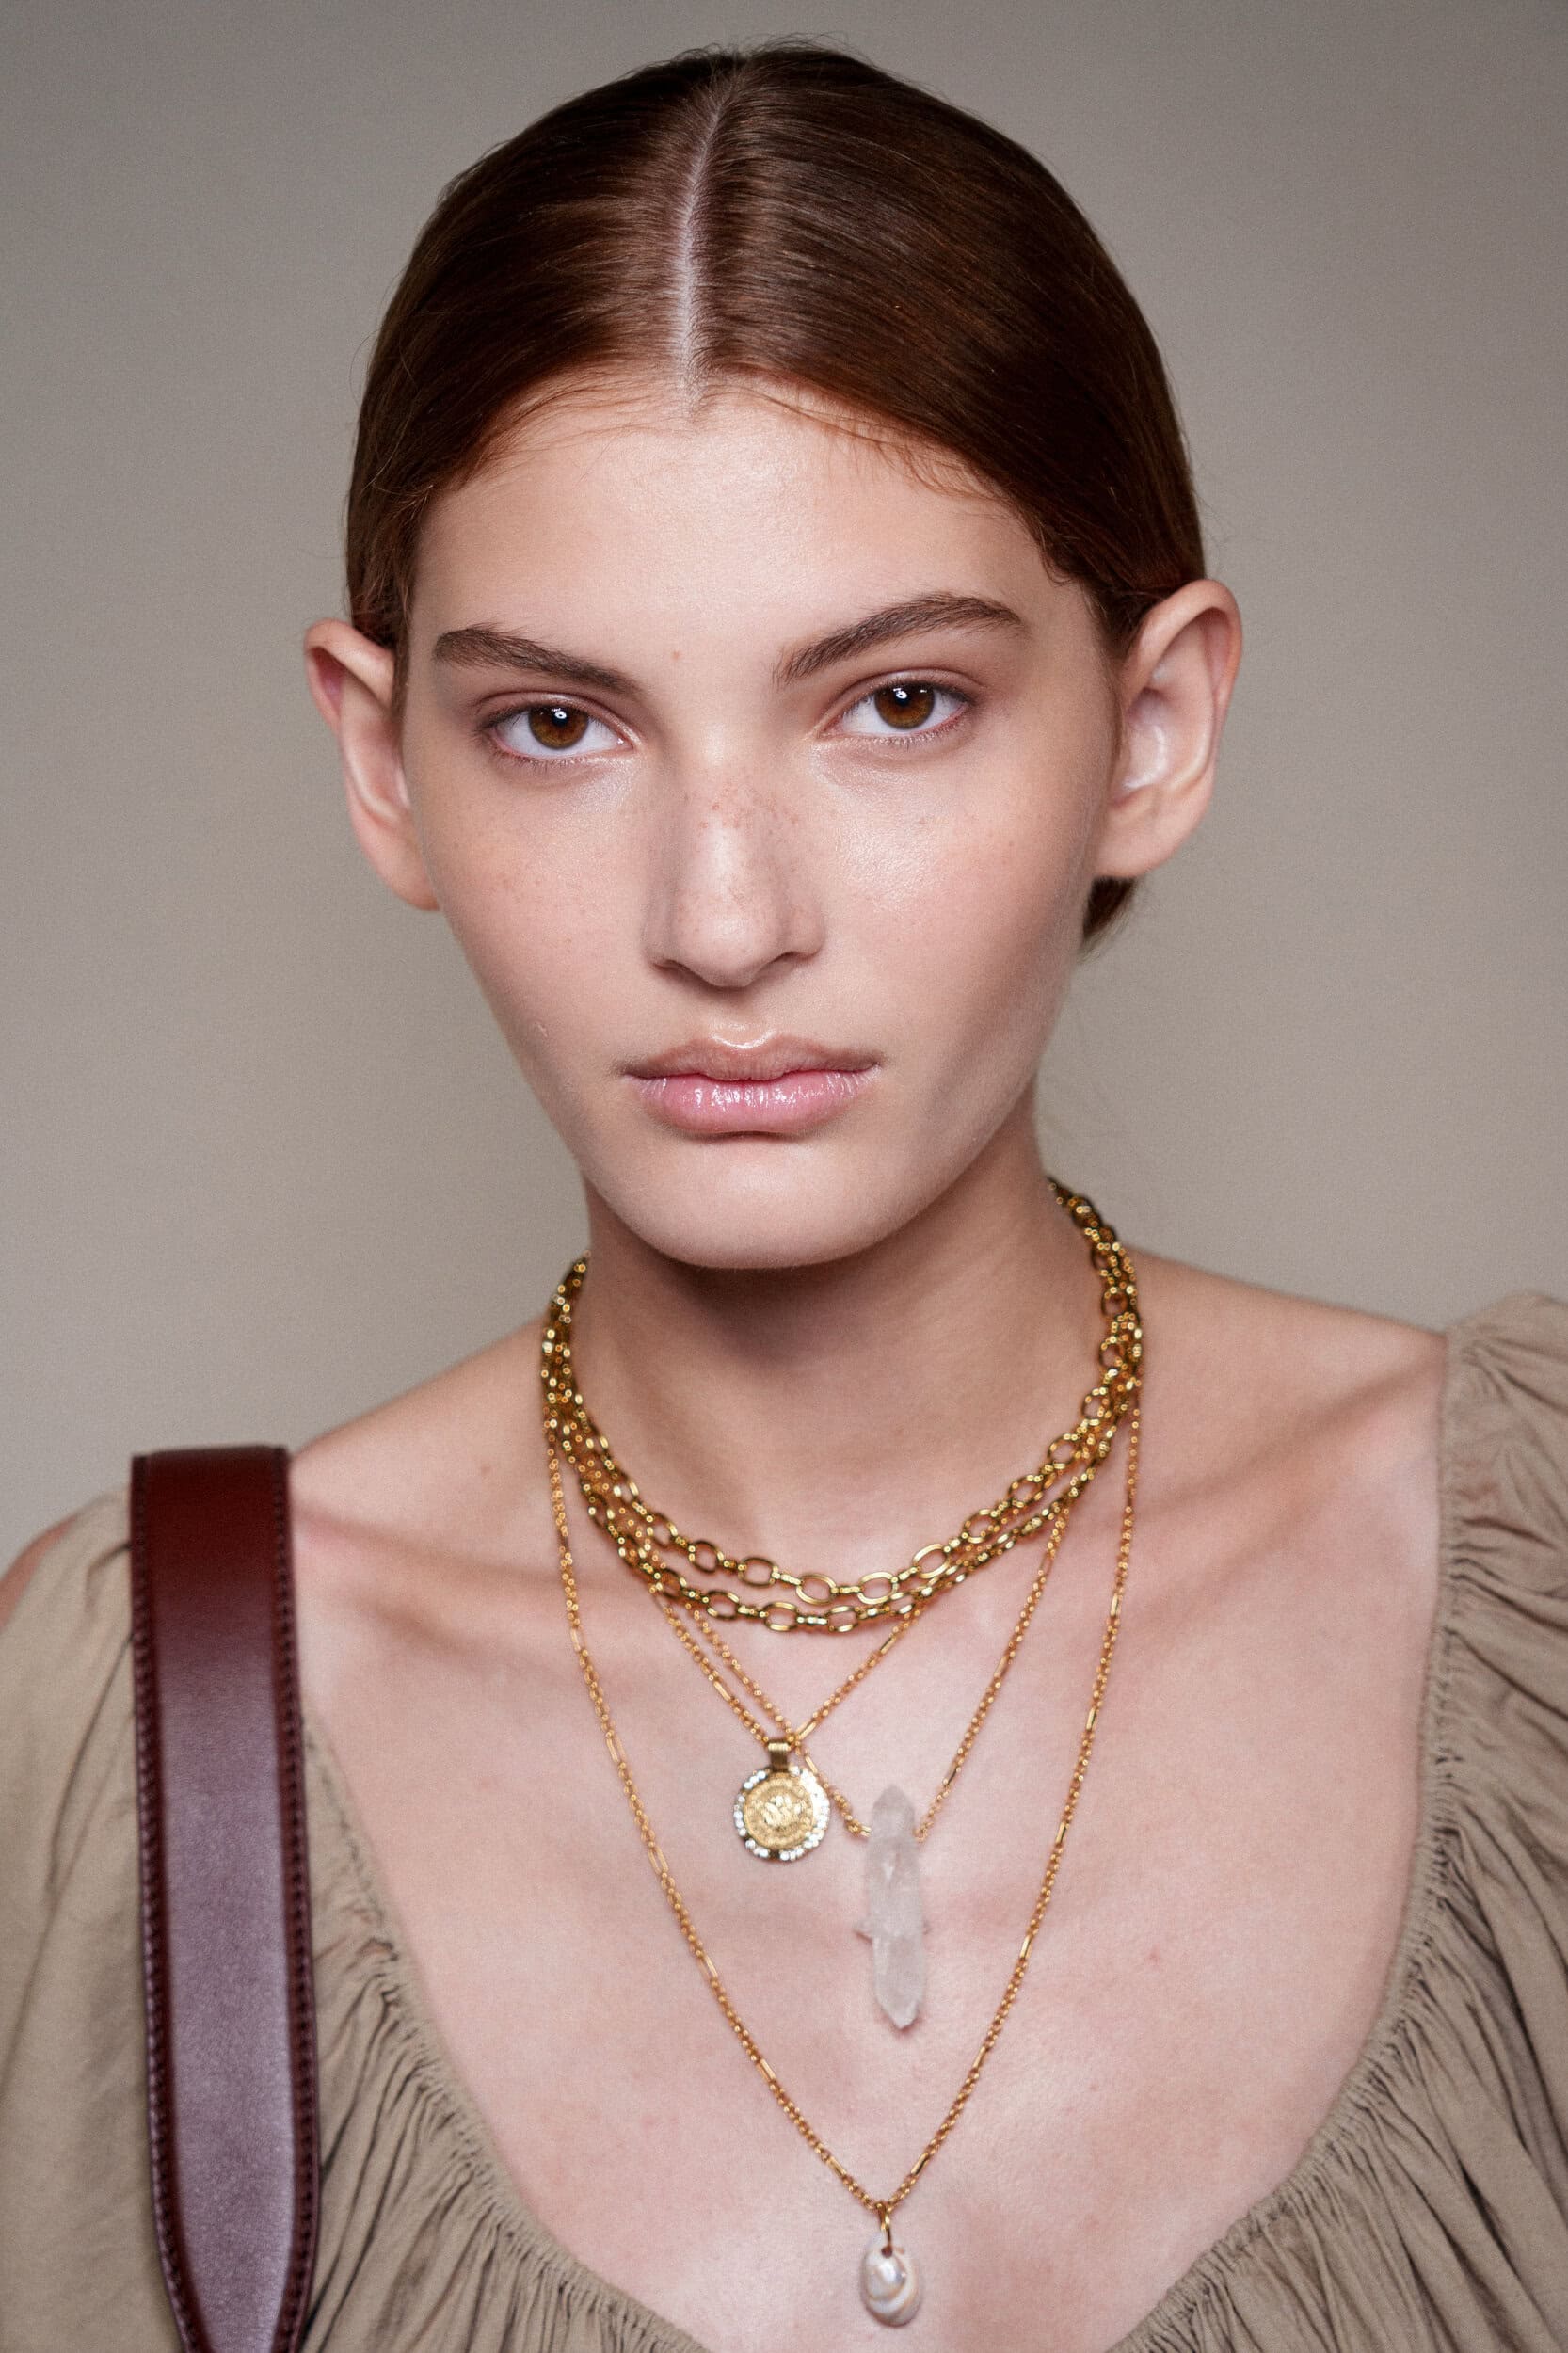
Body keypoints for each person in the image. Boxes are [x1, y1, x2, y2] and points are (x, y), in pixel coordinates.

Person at [3, 37, 1564, 2353]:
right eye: (556, 723)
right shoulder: (132, 1734)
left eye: (895, 702)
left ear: (1152, 725)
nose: (722, 918)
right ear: (383, 763)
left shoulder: (1526, 1588)